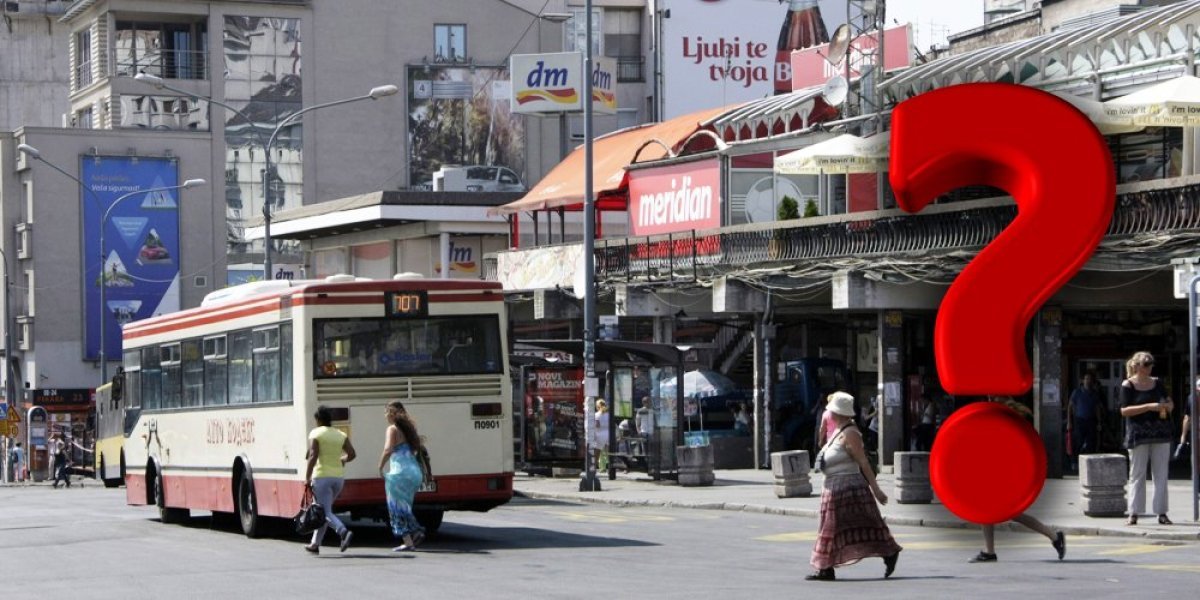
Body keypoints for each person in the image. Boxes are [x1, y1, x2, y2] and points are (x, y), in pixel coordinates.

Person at [807, 391, 901, 581]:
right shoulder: (839, 432)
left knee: (849, 526)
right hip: (834, 488)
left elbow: (863, 462)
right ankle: (827, 567)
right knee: (842, 527)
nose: (829, 414)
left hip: (849, 489)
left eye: (832, 411)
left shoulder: (851, 433)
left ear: (840, 414)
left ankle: (826, 568)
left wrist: (877, 490)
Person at [969, 395, 1066, 563]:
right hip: (1000, 472)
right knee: (990, 512)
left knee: (1007, 513)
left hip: (1004, 474)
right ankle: (990, 551)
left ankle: (1054, 537)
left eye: (992, 396)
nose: (989, 398)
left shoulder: (1007, 418)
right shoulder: (1003, 416)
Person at [1120, 351, 1173, 525]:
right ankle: (1134, 513)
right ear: (1137, 366)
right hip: (1138, 434)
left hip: (1160, 433)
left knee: (1161, 474)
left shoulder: (1158, 383)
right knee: (1137, 474)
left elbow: (1170, 403)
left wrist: (1166, 406)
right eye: (1146, 364)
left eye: (1151, 364)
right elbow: (1124, 410)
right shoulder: (1128, 385)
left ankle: (1161, 512)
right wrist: (1149, 406)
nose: (1150, 367)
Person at [303, 406, 357, 554]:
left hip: (322, 477)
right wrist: (343, 459)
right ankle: (314, 544)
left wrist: (307, 477)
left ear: (318, 420)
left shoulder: (316, 433)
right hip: (338, 479)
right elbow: (352, 454)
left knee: (324, 511)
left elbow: (313, 455)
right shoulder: (340, 434)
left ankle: (343, 532)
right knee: (325, 510)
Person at [379, 400, 427, 551]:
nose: (385, 416)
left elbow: (388, 449)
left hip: (399, 473)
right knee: (405, 506)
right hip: (414, 472)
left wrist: (380, 466)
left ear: (392, 414)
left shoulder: (392, 429)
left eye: (386, 412)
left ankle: (414, 533)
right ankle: (410, 540)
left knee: (395, 507)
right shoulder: (410, 428)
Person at [1068, 372, 1105, 457]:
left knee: (1091, 442)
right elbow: (1070, 406)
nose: (1088, 381)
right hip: (1079, 420)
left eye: (1090, 379)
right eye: (1086, 379)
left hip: (1091, 420)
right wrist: (1069, 422)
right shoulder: (1077, 392)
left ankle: (1090, 460)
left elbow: (1097, 408)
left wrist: (1099, 422)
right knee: (1078, 441)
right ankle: (1075, 461)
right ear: (1083, 380)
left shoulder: (1095, 393)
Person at [593, 399, 610, 469]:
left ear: (597, 407)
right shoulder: (609, 415)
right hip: (608, 434)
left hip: (599, 434)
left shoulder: (596, 415)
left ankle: (595, 465)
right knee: (608, 452)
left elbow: (597, 426)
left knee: (597, 452)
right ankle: (611, 465)